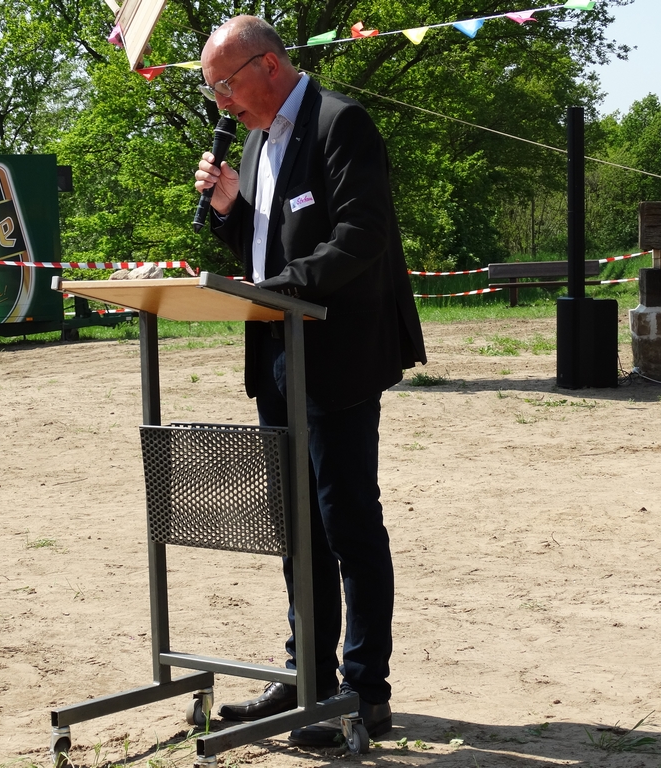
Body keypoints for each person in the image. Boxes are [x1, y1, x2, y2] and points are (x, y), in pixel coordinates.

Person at [193, 15, 427, 746]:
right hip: (276, 352)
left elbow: (361, 236)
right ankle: (308, 680)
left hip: (338, 353)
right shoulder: (258, 141)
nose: (221, 102)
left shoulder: (339, 124)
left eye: (226, 85)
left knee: (346, 521)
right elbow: (269, 245)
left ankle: (364, 690)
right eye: (213, 91)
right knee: (296, 526)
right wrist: (230, 212)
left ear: (268, 66)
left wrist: (280, 289)